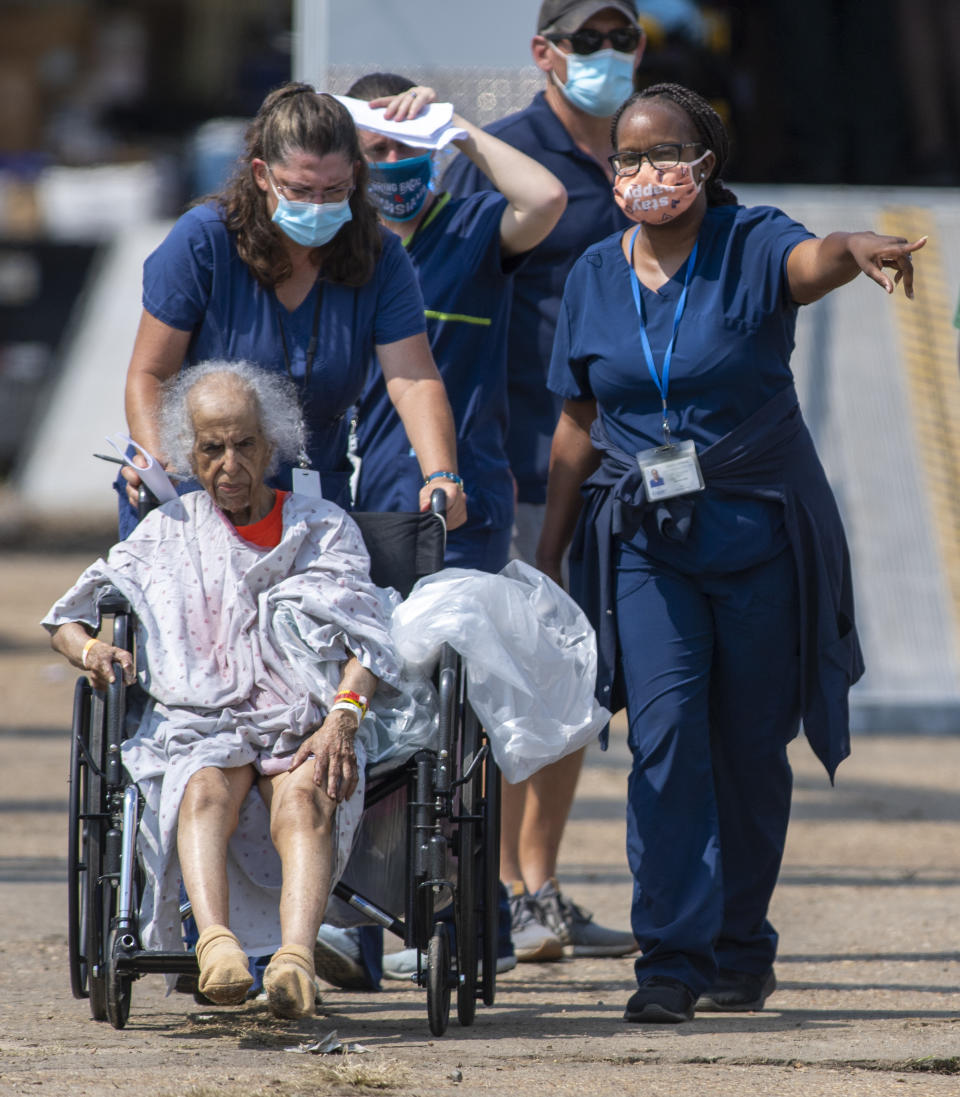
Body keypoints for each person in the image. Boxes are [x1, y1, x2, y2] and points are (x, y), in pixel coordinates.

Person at [538, 82, 926, 1023]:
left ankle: (741, 947)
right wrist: (548, 554)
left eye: (663, 152)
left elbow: (814, 257)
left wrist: (858, 250)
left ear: (705, 162)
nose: (644, 171)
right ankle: (669, 958)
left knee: (751, 751)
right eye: (627, 158)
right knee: (664, 740)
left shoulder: (749, 242)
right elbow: (579, 420)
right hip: (646, 545)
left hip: (756, 534)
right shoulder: (594, 272)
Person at [44, 362, 404, 1020]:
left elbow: (369, 645)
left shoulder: (322, 528)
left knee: (307, 795)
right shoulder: (166, 532)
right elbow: (65, 619)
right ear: (189, 452)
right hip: (200, 721)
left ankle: (295, 961)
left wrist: (342, 720)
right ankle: (217, 947)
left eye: (244, 444)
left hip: (304, 719)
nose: (230, 463)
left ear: (273, 445)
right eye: (211, 448)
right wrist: (93, 650)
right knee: (202, 786)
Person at [312, 74, 568, 985]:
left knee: (448, 721)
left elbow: (544, 198)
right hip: (348, 512)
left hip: (457, 514)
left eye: (401, 149)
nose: (393, 166)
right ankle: (346, 916)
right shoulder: (339, 244)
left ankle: (451, 909)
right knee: (344, 707)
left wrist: (455, 128)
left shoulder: (468, 229)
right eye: (373, 150)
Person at [442, 0, 643, 961]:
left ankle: (541, 886)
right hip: (517, 458)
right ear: (544, 54)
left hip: (624, 471)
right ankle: (495, 887)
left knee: (578, 679)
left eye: (623, 40)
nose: (608, 57)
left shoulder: (653, 152)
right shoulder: (507, 155)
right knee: (504, 680)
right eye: (588, 41)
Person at [117, 81, 465, 537]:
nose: (317, 206)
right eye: (299, 190)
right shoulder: (203, 240)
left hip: (313, 502)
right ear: (262, 175)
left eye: (334, 189)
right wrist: (156, 460)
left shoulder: (380, 254)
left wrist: (442, 474)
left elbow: (414, 380)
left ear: (357, 175)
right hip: (197, 496)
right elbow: (151, 373)